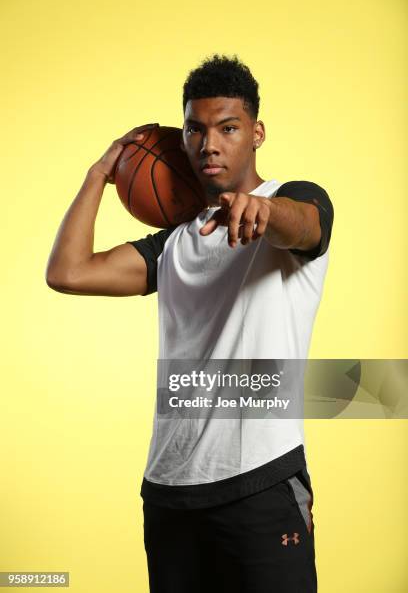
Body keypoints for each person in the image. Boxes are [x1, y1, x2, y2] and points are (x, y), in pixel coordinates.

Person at [46, 53, 334, 593]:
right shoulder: (172, 245)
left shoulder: (293, 202)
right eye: (195, 130)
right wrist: (100, 172)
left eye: (228, 128)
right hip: (169, 493)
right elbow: (67, 271)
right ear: (182, 137)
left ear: (256, 132)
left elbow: (305, 226)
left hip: (260, 487)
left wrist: (266, 213)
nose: (210, 144)